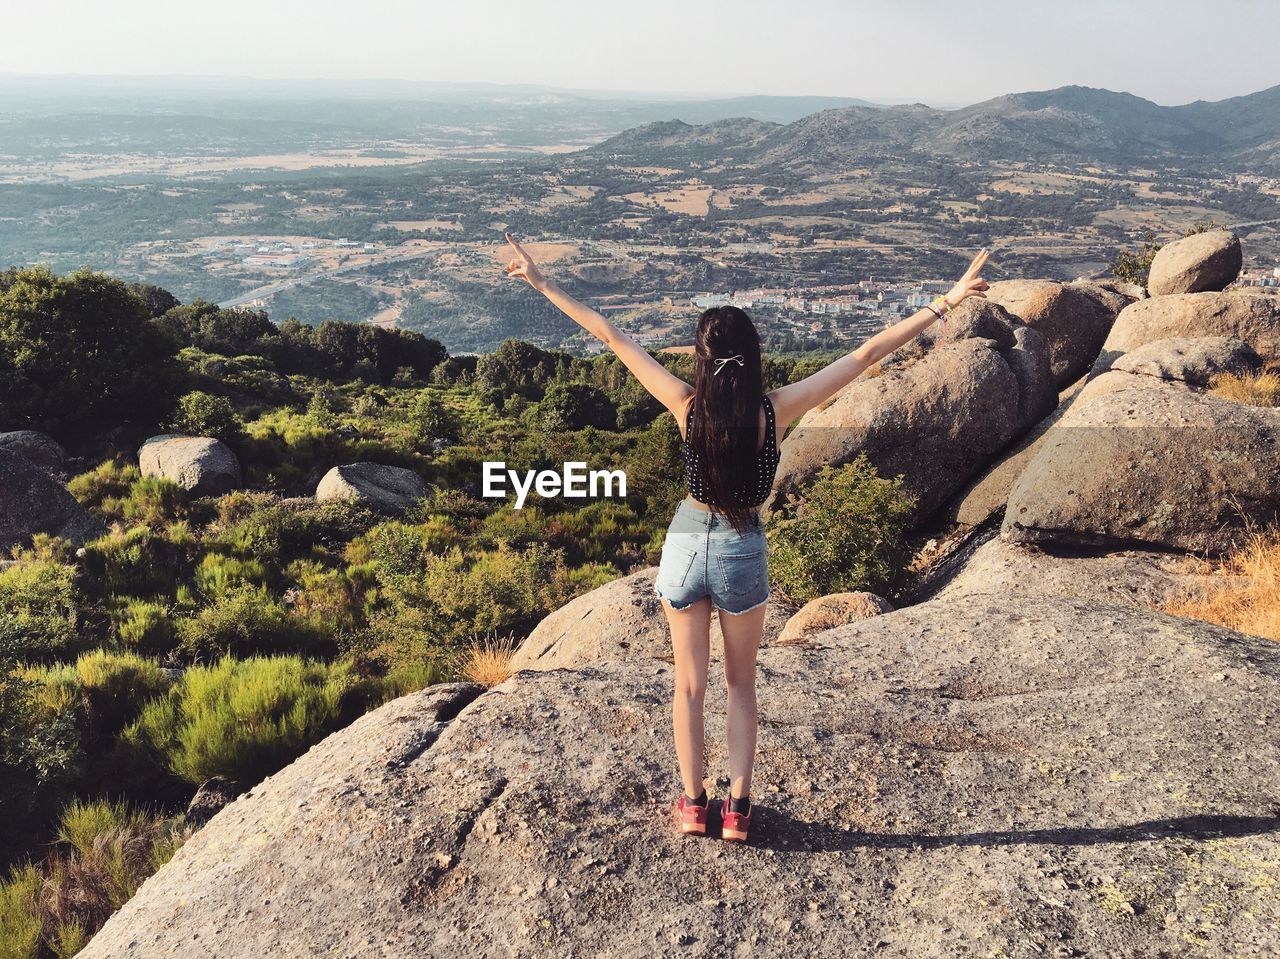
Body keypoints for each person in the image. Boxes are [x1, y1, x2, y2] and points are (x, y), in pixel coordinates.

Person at [503, 233, 990, 842]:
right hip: (742, 549)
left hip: (684, 545)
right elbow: (867, 354)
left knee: (686, 684)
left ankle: (691, 803)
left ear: (702, 360)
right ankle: (736, 809)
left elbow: (609, 336)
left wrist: (540, 280)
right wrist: (946, 301)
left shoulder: (684, 404)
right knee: (739, 685)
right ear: (753, 356)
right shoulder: (775, 410)